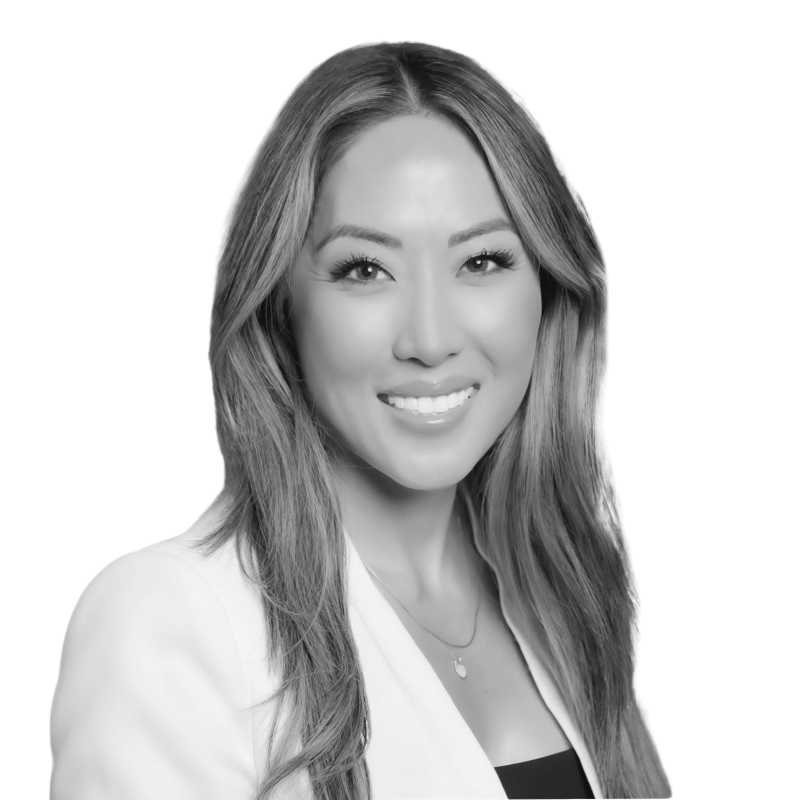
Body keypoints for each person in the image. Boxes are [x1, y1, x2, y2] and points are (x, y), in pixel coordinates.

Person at [50, 42, 671, 800]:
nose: (430, 338)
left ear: (548, 288)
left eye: (481, 261)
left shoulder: (562, 593)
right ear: (280, 304)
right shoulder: (171, 620)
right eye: (365, 270)